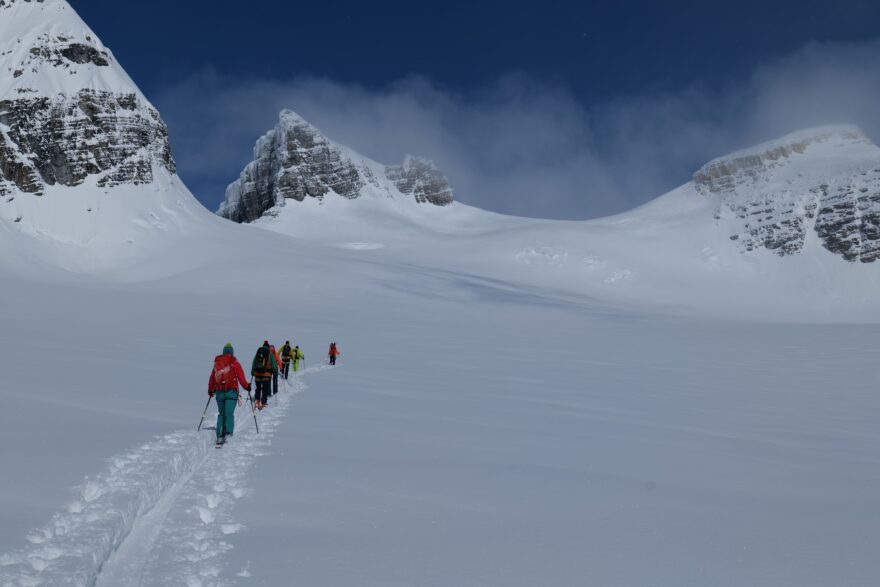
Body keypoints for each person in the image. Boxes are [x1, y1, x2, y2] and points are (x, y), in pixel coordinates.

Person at [208, 343, 251, 446]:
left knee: (221, 413)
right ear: (232, 352)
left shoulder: (217, 364)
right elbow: (241, 379)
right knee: (229, 414)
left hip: (219, 392)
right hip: (231, 392)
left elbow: (212, 378)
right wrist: (247, 387)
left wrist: (211, 390)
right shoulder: (235, 364)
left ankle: (219, 435)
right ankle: (228, 434)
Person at [251, 341, 277, 409]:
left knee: (258, 388)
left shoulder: (258, 353)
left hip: (257, 375)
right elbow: (274, 364)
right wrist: (274, 371)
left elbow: (254, 362)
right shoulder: (270, 354)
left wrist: (252, 372)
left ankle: (257, 400)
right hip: (266, 375)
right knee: (265, 389)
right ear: (268, 347)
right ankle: (263, 403)